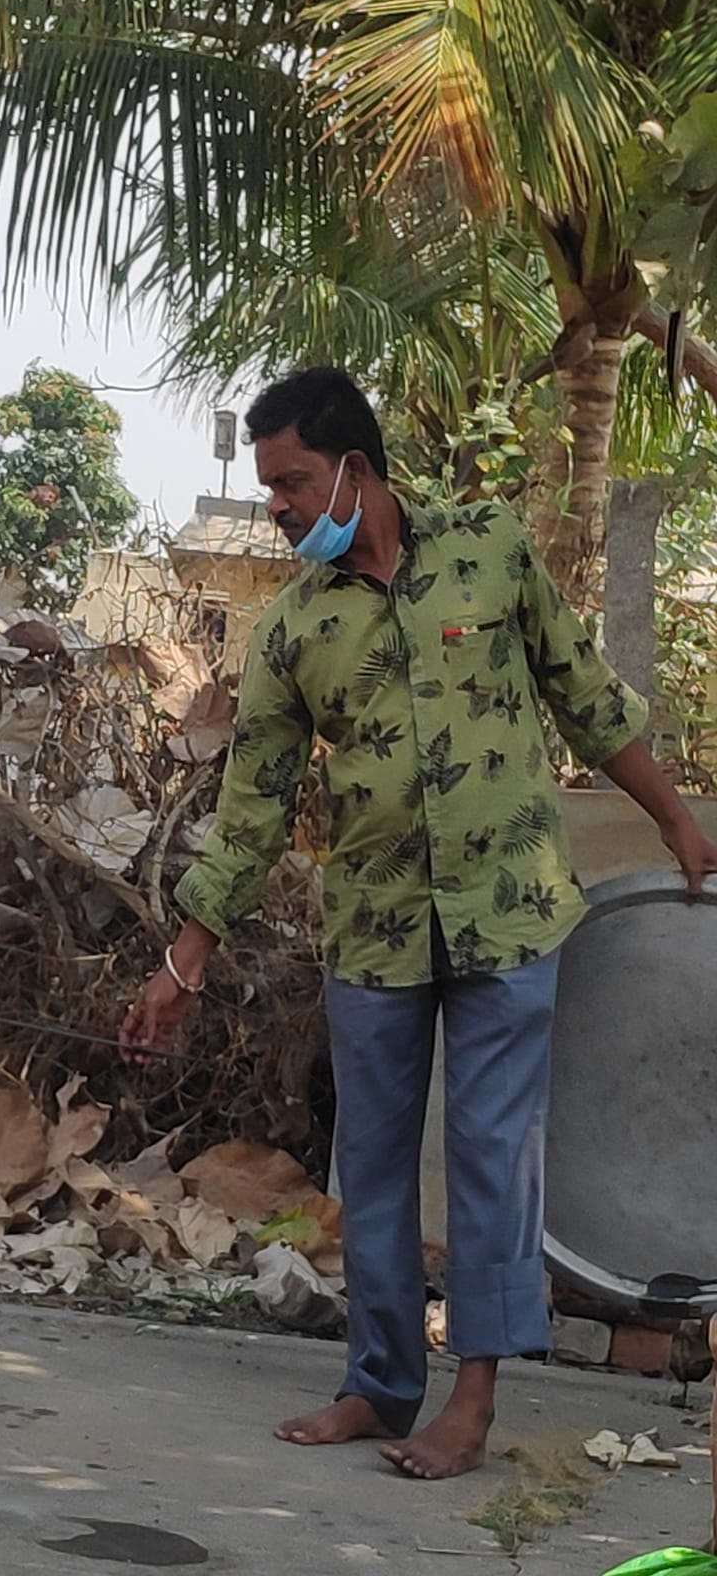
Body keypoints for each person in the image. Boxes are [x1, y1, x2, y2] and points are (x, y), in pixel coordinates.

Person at [119, 367, 717, 1482]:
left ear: (355, 465)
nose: (280, 507)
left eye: (292, 480)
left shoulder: (489, 549)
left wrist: (678, 819)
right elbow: (251, 808)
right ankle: (380, 1382)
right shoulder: (296, 628)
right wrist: (181, 962)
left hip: (509, 915)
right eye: (270, 488)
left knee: (493, 1155)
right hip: (377, 930)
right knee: (377, 1167)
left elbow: (586, 697)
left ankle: (473, 1398)